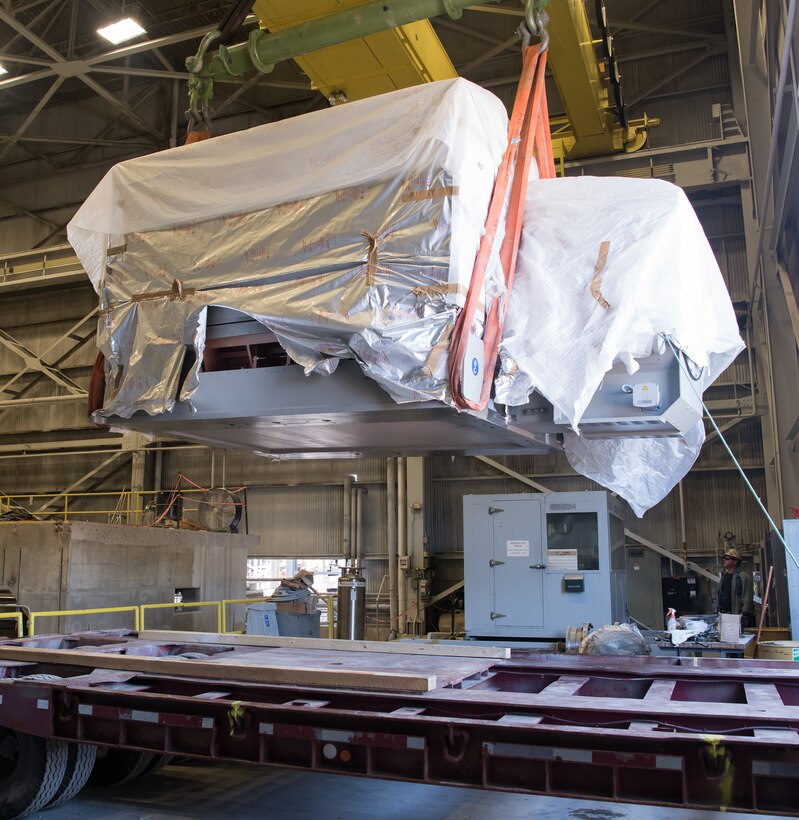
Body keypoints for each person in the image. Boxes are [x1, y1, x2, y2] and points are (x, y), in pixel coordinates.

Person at [717, 547, 755, 628]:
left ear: (735, 561)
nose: (724, 560)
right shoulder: (723, 577)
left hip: (738, 618)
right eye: (724, 558)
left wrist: (743, 615)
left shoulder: (743, 576)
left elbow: (747, 597)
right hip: (725, 617)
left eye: (727, 558)